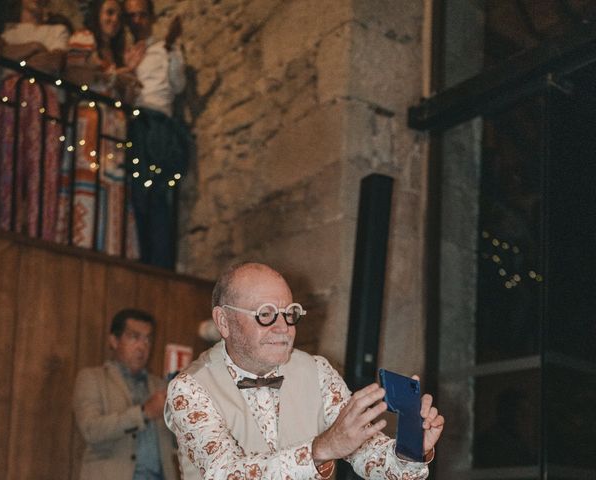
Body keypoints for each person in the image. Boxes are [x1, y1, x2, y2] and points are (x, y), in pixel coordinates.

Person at [165, 262, 445, 479]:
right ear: (223, 321)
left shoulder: (318, 372)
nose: (283, 327)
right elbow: (224, 474)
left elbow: (368, 455)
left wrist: (411, 448)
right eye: (265, 314)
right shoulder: (189, 388)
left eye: (290, 313)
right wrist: (321, 449)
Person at [56, 0, 141, 257]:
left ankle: (110, 246)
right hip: (90, 122)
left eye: (117, 15)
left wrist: (126, 82)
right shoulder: (84, 38)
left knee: (112, 184)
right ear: (98, 14)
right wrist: (115, 76)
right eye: (109, 12)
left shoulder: (115, 52)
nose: (114, 19)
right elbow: (73, 76)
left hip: (113, 128)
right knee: (88, 182)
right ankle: (82, 242)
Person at [73, 308, 177, 480]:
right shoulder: (92, 378)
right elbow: (91, 430)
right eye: (134, 337)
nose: (142, 346)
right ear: (114, 340)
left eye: (148, 339)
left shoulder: (160, 386)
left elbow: (177, 442)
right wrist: (144, 413)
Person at [124, 0, 189, 269]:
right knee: (136, 192)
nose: (137, 20)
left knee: (156, 192)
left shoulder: (164, 49)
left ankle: (159, 262)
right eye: (132, 16)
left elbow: (178, 84)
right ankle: (142, 256)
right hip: (133, 123)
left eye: (141, 14)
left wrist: (170, 46)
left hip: (157, 123)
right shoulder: (126, 52)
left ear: (150, 17)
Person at [0, 0, 68, 240]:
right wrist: (36, 47)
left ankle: (41, 231)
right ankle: (8, 225)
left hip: (44, 102)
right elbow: (1, 54)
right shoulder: (8, 30)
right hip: (12, 100)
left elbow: (53, 62)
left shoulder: (57, 31)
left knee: (42, 168)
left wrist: (19, 59)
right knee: (10, 163)